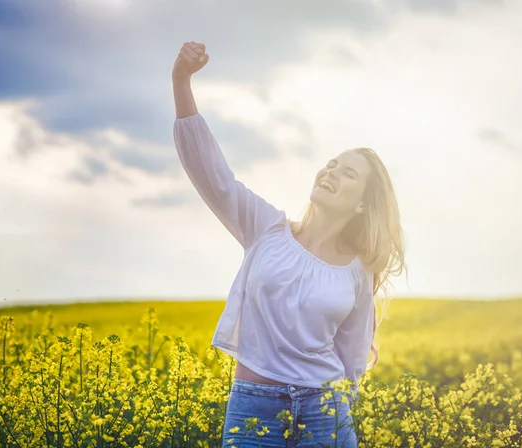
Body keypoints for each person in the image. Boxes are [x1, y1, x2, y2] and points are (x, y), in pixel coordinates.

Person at [172, 41, 406, 448]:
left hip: (325, 413)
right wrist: (181, 81)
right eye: (331, 163)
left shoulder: (359, 269)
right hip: (253, 409)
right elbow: (212, 174)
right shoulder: (265, 228)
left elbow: (351, 361)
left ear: (363, 202)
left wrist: (338, 416)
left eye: (348, 172)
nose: (330, 171)